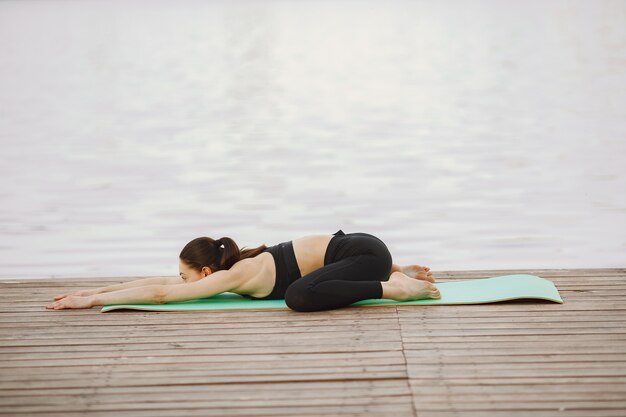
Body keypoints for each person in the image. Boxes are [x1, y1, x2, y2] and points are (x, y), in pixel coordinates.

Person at [47, 229, 440, 311]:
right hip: (363, 252)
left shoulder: (235, 274)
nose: (181, 283)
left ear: (205, 273)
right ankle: (395, 272)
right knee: (302, 289)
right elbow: (160, 283)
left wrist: (94, 301)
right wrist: (96, 293)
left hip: (364, 254)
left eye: (187, 277)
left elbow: (164, 294)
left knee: (298, 296)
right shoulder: (235, 269)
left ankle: (396, 287)